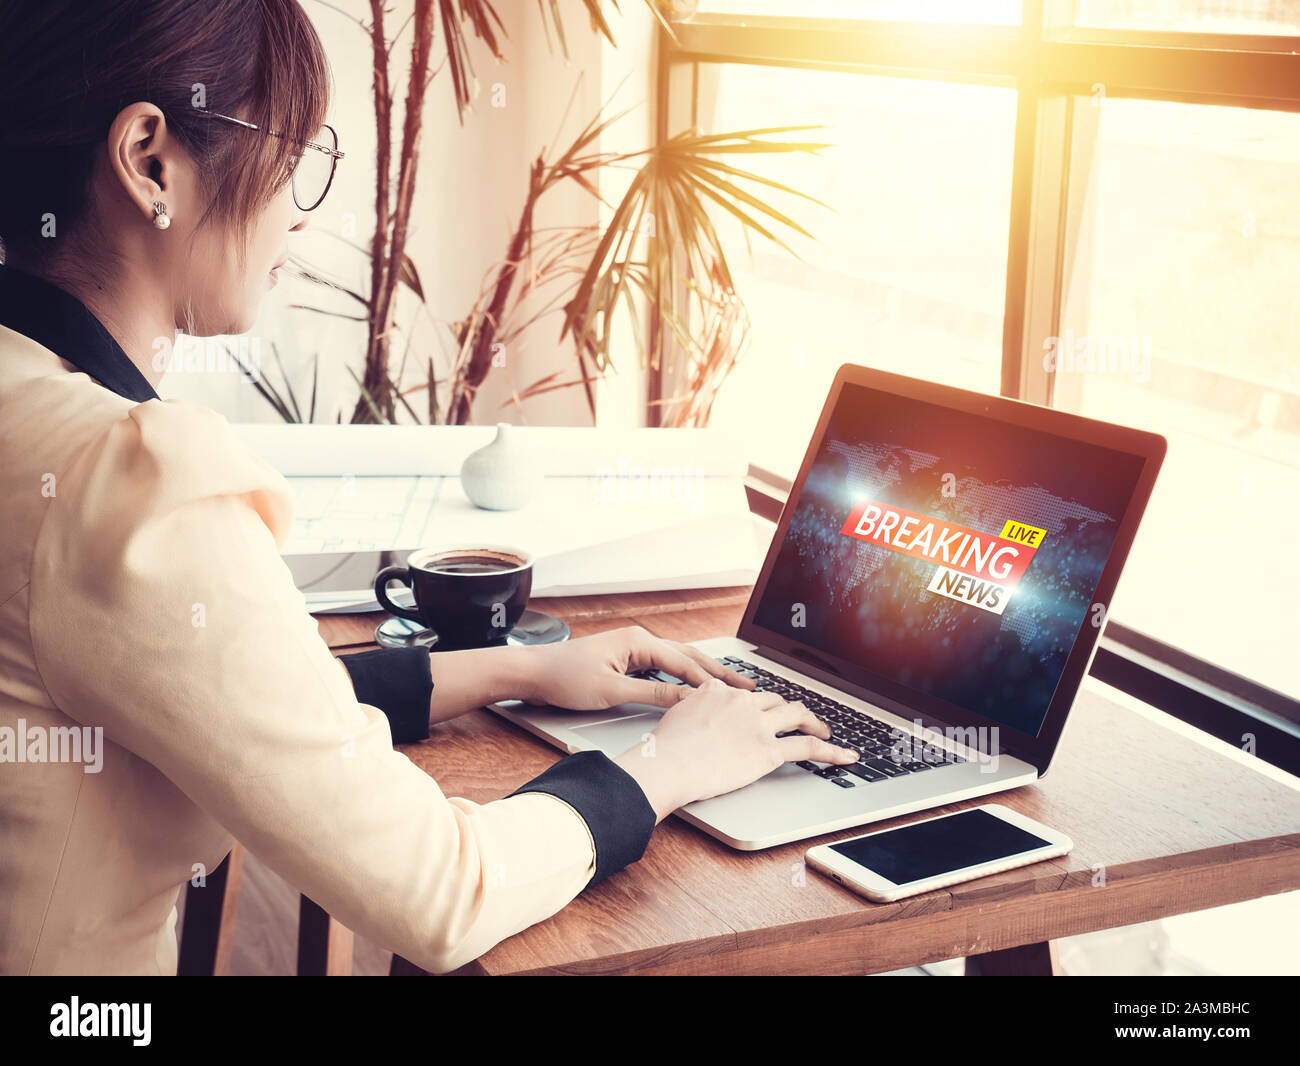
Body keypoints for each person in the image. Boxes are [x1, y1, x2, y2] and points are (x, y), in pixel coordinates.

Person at [0, 0, 857, 975]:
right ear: (151, 157)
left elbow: (232, 691)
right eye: (292, 153)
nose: (300, 204)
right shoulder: (125, 481)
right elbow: (437, 888)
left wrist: (520, 671)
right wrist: (669, 764)